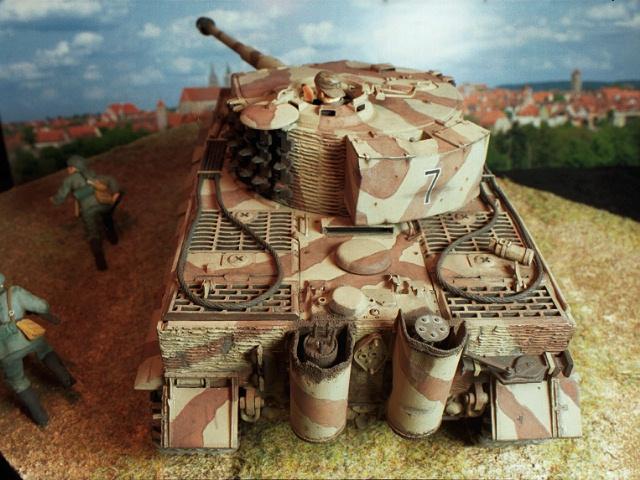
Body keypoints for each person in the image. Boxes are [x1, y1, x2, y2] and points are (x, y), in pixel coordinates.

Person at [0, 273, 75, 427]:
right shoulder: (14, 292)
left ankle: (41, 419)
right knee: (45, 350)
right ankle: (66, 379)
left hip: (5, 353)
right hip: (28, 336)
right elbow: (42, 306)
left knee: (18, 382)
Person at [51, 156, 121, 271]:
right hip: (103, 203)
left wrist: (54, 200)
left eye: (70, 167)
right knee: (107, 216)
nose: (68, 169)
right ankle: (113, 239)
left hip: (88, 210)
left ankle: (101, 263)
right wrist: (115, 194)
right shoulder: (92, 174)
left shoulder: (69, 180)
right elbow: (110, 179)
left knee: (93, 234)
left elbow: (60, 197)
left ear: (74, 167)